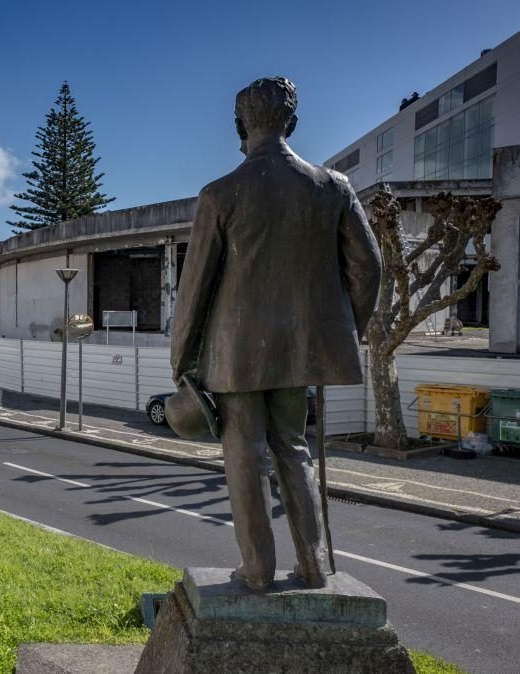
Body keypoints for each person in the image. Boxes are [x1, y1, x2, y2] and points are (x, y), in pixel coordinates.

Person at [170, 77, 381, 590]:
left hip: (235, 354)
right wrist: (340, 328)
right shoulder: (332, 188)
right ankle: (312, 563)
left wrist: (181, 359)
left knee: (243, 453)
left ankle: (258, 568)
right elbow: (368, 266)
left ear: (241, 126)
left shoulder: (221, 194)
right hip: (302, 350)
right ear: (293, 122)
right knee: (293, 448)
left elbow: (193, 286)